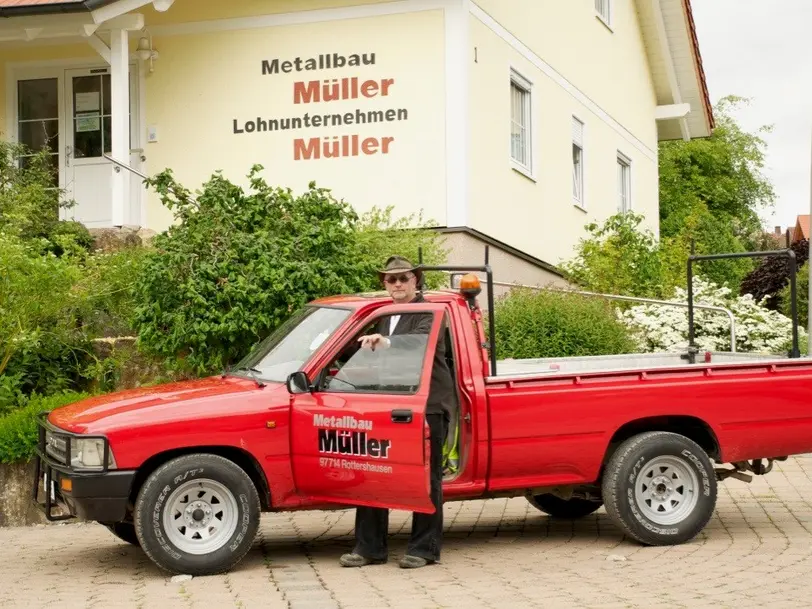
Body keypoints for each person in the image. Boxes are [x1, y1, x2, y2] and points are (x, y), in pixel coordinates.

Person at [339, 255, 455, 569]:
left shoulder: (429, 312)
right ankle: (369, 548)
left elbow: (419, 343)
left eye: (404, 278)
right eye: (392, 280)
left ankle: (424, 549)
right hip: (387, 405)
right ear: (384, 284)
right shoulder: (382, 314)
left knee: (425, 479)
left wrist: (386, 341)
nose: (398, 284)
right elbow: (362, 349)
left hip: (427, 406)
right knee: (374, 475)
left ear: (417, 280)